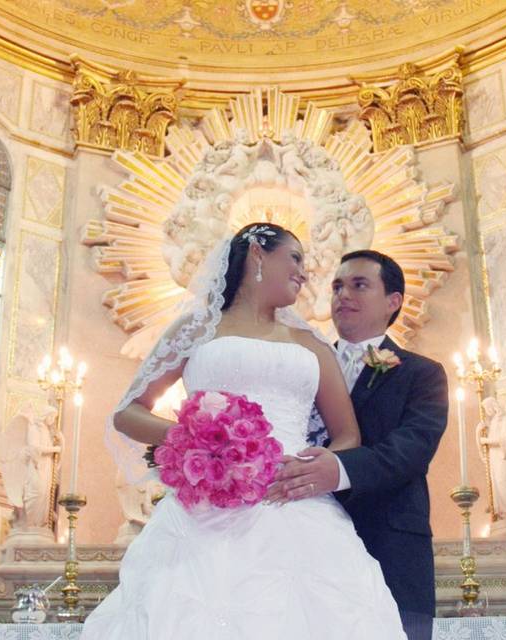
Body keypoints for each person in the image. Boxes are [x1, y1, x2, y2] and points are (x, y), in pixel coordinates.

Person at [81, 224, 407, 639]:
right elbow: (128, 413)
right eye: (295, 258)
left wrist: (316, 469)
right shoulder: (196, 329)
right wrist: (198, 440)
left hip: (293, 502)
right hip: (205, 508)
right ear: (257, 253)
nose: (304, 273)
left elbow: (347, 436)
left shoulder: (312, 344)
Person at [270, 250, 449, 640]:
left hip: (390, 545)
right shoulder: (304, 365)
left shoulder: (423, 374)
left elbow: (411, 449)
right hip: (303, 537)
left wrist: (338, 470)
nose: (342, 295)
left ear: (393, 301)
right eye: (337, 286)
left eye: (358, 285)